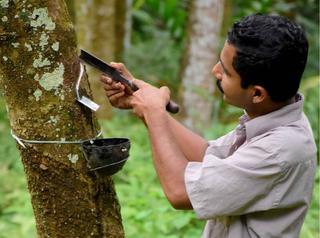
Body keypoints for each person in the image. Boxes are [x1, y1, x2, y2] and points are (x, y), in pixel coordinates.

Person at [100, 14, 317, 238]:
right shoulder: (272, 117)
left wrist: (154, 113)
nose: (215, 71)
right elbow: (207, 154)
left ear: (258, 93)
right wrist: (142, 101)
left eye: (226, 71)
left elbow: (180, 192)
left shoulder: (279, 149)